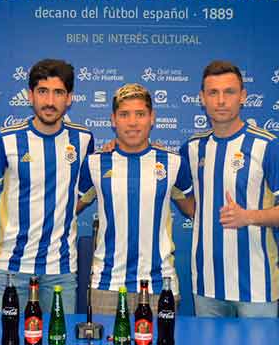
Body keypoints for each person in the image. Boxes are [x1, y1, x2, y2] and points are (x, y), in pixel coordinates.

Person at [0, 59, 94, 313]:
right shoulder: (5, 139)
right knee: (1, 337)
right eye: (42, 91)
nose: (50, 101)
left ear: (70, 98)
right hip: (10, 269)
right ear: (30, 95)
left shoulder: (83, 139)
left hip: (60, 271)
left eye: (58, 93)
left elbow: (85, 192)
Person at [180, 60, 279, 318]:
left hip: (256, 287)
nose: (221, 100)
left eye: (229, 92)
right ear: (202, 98)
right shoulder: (192, 148)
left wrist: (248, 216)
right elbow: (177, 189)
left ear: (243, 96)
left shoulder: (266, 145)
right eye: (213, 93)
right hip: (207, 285)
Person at [76, 83, 194, 314]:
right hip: (106, 286)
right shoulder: (94, 163)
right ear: (113, 119)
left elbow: (193, 209)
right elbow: (67, 208)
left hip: (160, 286)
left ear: (152, 118)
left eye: (140, 114)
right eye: (124, 115)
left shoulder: (174, 163)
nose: (132, 122)